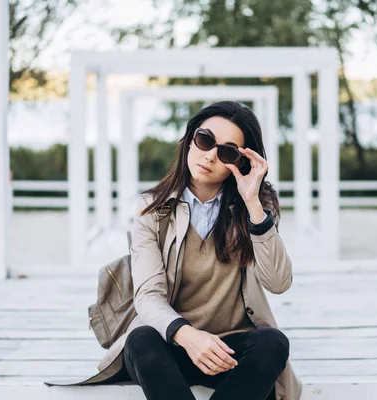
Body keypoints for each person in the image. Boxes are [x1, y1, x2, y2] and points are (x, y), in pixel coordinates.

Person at [123, 101, 302, 400]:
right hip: (173, 346)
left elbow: (278, 283)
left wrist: (253, 204)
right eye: (205, 140)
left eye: (227, 152)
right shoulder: (151, 210)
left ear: (241, 162)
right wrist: (188, 336)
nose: (210, 156)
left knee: (273, 342)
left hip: (230, 352)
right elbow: (148, 297)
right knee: (141, 338)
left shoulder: (257, 209)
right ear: (189, 139)